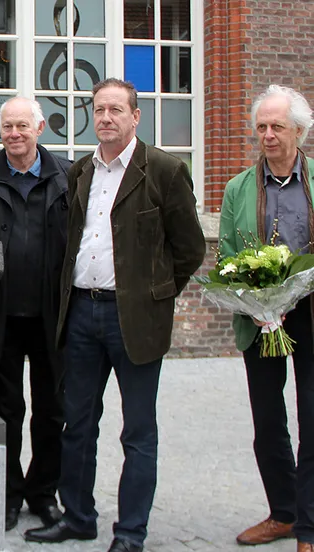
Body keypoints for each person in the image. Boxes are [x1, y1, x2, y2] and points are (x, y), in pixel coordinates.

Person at [24, 78, 205, 552]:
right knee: (77, 422)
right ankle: (78, 516)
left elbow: (189, 249)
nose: (106, 118)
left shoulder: (164, 170)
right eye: (99, 110)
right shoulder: (81, 170)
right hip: (82, 313)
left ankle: (130, 533)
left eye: (116, 111)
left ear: (135, 116)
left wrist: (155, 296)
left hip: (135, 319)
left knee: (138, 430)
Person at [218, 85, 314, 552]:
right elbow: (228, 255)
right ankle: (283, 513)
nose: (269, 135)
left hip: (310, 319)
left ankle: (310, 527)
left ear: (300, 131)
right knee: (268, 422)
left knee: (312, 419)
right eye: (262, 127)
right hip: (261, 323)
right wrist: (254, 303)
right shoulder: (238, 187)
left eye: (278, 127)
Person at [0, 96, 69, 532]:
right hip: (1, 314)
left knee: (52, 410)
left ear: (40, 128)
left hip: (55, 315)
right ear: (0, 132)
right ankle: (8, 493)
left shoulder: (69, 177)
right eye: (7, 127)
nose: (15, 133)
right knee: (3, 408)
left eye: (22, 126)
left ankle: (43, 494)